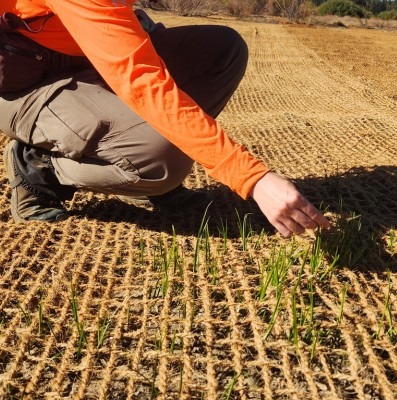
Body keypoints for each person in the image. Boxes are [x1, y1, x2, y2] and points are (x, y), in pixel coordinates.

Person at [0, 0, 330, 237]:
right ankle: (39, 167)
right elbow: (142, 83)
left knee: (221, 50)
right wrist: (253, 178)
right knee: (162, 158)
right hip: (24, 85)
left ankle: (149, 184)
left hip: (81, 58)